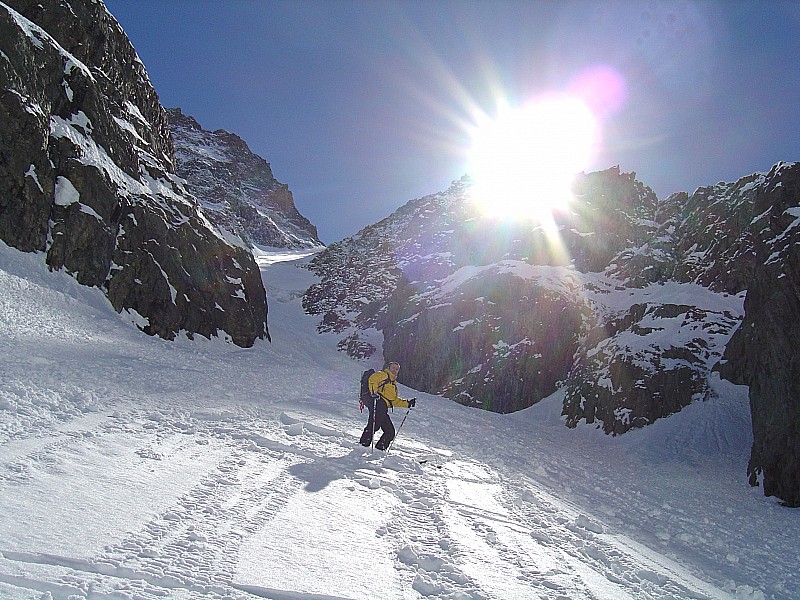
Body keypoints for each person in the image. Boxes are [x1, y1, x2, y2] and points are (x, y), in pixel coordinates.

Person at [359, 362, 416, 450]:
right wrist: (374, 393)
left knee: (390, 432)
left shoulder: (392, 384)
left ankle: (380, 449)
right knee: (375, 424)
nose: (395, 370)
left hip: (383, 406)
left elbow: (393, 401)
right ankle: (363, 445)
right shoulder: (383, 375)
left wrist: (407, 404)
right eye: (393, 368)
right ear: (388, 368)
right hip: (378, 402)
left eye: (397, 369)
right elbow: (373, 379)